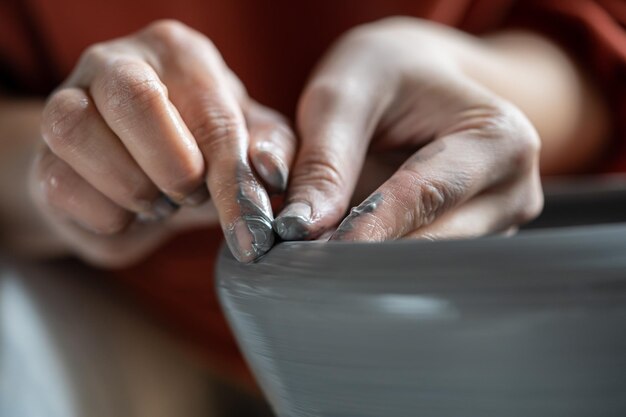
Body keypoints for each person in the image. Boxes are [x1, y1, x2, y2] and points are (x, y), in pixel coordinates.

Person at [0, 0, 623, 389]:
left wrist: (492, 89)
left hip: (511, 313)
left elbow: (601, 39)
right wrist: (65, 163)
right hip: (165, 336)